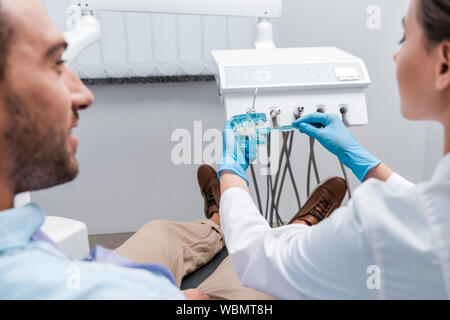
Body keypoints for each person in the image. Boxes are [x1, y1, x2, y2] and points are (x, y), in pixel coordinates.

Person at [0, 0, 348, 299]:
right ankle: (298, 230)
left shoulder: (19, 236)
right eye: (55, 63)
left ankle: (217, 223)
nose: (84, 94)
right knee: (257, 279)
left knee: (159, 232)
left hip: (99, 272)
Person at [218, 0, 450, 299]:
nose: (395, 54)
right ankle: (300, 225)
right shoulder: (421, 220)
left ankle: (294, 223)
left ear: (445, 61)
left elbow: (260, 260)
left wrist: (230, 172)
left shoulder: (375, 228)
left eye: (404, 38)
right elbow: (427, 209)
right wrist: (368, 164)